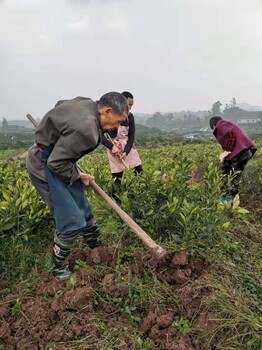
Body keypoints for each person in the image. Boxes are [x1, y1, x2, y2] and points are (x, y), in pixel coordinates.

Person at [26, 92, 129, 281]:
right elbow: (55, 164)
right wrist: (77, 174)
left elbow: (59, 104)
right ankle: (57, 269)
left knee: (83, 208)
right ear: (107, 111)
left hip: (59, 159)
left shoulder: (86, 102)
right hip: (45, 164)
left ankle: (97, 247)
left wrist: (58, 139)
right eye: (117, 121)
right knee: (70, 219)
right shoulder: (86, 131)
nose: (116, 127)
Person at [101, 91, 142, 203]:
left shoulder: (130, 117)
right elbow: (99, 136)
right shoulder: (109, 117)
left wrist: (127, 150)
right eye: (128, 105)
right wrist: (111, 146)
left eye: (131, 105)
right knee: (117, 178)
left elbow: (131, 135)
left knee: (138, 173)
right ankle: (117, 204)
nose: (129, 108)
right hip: (114, 149)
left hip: (128, 148)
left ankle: (137, 199)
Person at [210, 116, 257, 202]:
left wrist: (226, 152)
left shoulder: (222, 124)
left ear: (214, 125)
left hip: (240, 152)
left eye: (212, 128)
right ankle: (232, 198)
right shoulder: (230, 124)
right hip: (246, 152)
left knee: (225, 172)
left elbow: (230, 134)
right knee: (235, 175)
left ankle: (224, 197)